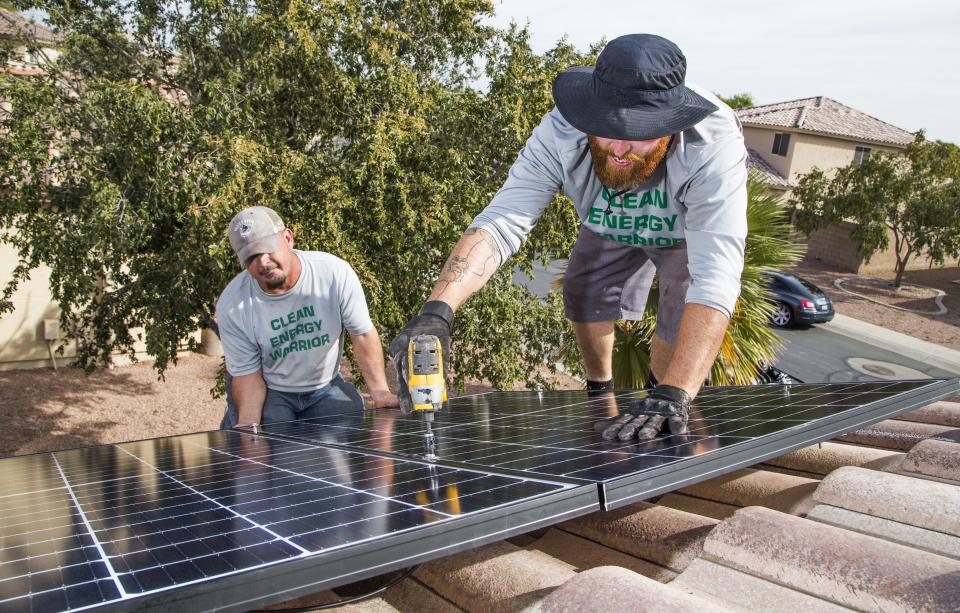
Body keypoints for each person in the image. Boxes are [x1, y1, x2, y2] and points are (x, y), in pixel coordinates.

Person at [390, 34, 747, 442]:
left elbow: (715, 277)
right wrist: (438, 310)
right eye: (609, 128)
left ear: (670, 125)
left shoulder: (712, 143)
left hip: (683, 232)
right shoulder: (560, 130)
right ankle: (600, 394)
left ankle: (660, 396)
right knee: (582, 285)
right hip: (608, 219)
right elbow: (503, 220)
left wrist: (675, 392)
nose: (619, 149)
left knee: (681, 305)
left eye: (640, 133)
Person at [217, 206, 397, 429]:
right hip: (271, 388)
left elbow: (361, 333)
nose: (262, 262)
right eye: (251, 257)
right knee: (269, 443)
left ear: (287, 238)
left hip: (325, 385)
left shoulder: (333, 273)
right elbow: (248, 376)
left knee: (351, 423)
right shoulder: (233, 304)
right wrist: (248, 428)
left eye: (266, 249)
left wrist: (380, 392)